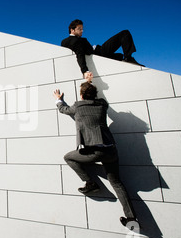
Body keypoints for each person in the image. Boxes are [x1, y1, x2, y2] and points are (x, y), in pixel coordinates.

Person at [53, 82, 139, 229]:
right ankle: (131, 218)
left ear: (81, 95)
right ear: (95, 94)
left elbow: (64, 109)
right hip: (111, 151)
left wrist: (58, 99)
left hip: (93, 152)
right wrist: (90, 84)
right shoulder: (102, 105)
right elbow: (95, 97)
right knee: (117, 183)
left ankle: (90, 183)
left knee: (68, 157)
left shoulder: (78, 107)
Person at [61, 19, 144, 81]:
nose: (82, 31)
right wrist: (85, 71)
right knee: (125, 34)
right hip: (100, 52)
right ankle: (128, 58)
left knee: (119, 56)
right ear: (72, 30)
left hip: (99, 51)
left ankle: (126, 58)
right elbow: (80, 54)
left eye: (82, 29)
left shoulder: (66, 41)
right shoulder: (75, 41)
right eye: (79, 29)